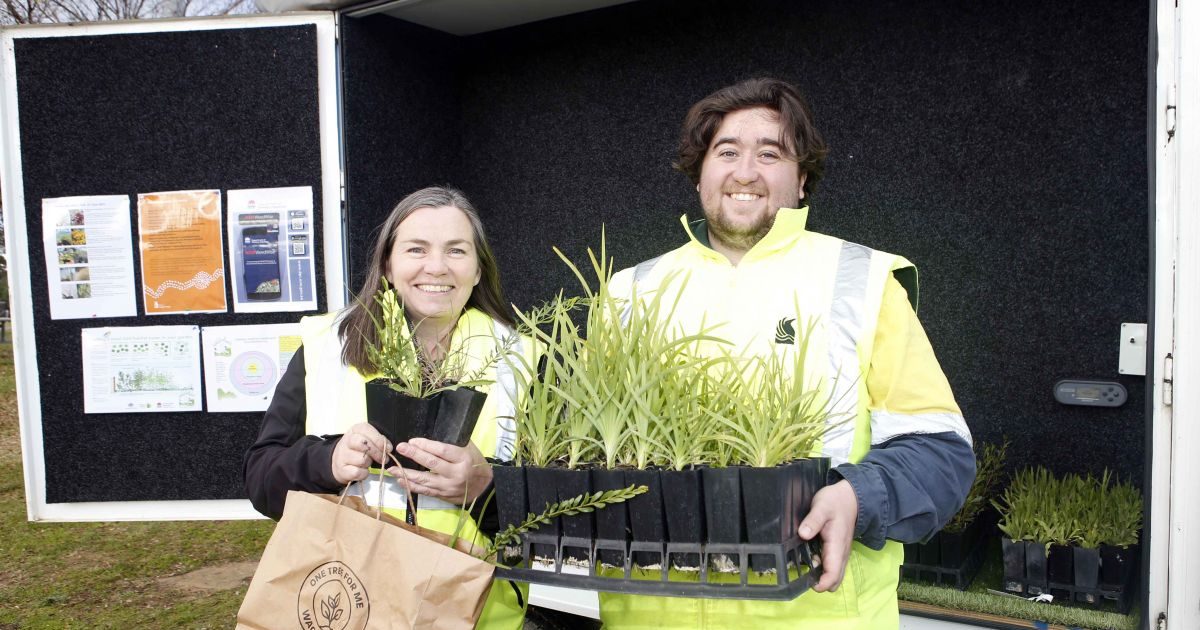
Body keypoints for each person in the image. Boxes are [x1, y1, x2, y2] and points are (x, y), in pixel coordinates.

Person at [601, 78, 975, 629]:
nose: (745, 171)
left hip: (815, 612)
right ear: (699, 173)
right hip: (651, 612)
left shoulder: (862, 280)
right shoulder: (629, 292)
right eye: (725, 152)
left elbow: (940, 451)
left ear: (801, 179)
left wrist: (856, 494)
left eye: (770, 154)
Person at [243, 186, 529, 629]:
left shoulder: (525, 359)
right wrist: (330, 460)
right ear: (388, 265)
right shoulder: (327, 346)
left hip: (476, 611)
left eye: (456, 250)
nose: (436, 267)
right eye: (417, 249)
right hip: (348, 601)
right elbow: (262, 479)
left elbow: (569, 507)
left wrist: (487, 487)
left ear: (477, 270)